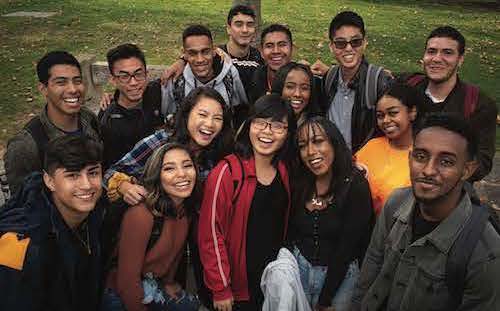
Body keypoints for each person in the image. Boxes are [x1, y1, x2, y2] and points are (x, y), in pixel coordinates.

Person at [351, 113, 500, 311]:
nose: (429, 170)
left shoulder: (485, 253)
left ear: (467, 170)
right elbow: (373, 263)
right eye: (421, 157)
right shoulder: (395, 203)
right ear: (410, 158)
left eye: (446, 162)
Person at [103, 87, 232, 308]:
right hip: (145, 239)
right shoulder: (161, 141)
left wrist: (169, 281)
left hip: (176, 242)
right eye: (202, 114)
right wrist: (123, 185)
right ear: (187, 114)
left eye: (217, 118)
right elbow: (109, 173)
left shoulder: (214, 156)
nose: (209, 124)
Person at [198, 94, 296, 311]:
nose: (267, 132)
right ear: (249, 125)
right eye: (260, 123)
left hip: (271, 283)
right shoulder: (227, 172)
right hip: (236, 290)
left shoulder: (283, 171)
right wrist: (220, 287)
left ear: (288, 134)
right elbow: (210, 234)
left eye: (278, 126)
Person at [0, 135, 104, 310]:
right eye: (72, 175)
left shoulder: (92, 210)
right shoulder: (22, 246)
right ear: (49, 181)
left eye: (93, 172)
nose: (87, 185)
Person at [101, 143, 201, 311]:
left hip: (152, 284)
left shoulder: (186, 210)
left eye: (187, 166)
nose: (182, 174)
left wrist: (168, 282)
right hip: (120, 293)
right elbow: (127, 281)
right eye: (169, 169)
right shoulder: (141, 214)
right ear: (157, 176)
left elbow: (175, 252)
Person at [288, 116, 373, 311]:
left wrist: (325, 299)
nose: (310, 152)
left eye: (318, 141)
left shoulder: (355, 185)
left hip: (341, 280)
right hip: (300, 270)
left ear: (334, 142)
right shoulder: (300, 181)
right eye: (303, 145)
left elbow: (348, 246)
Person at [401, 26, 497, 181]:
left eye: (447, 53)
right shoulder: (407, 85)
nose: (437, 59)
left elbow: (482, 162)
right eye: (431, 51)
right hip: (394, 183)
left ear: (460, 60)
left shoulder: (478, 104)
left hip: (447, 192)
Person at [4, 51, 100, 194]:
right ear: (44, 89)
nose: (73, 89)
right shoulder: (26, 146)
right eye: (61, 82)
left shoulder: (89, 118)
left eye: (77, 81)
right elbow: (22, 204)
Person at [320, 11, 392, 153]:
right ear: (331, 47)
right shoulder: (329, 79)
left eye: (355, 42)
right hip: (334, 162)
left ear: (364, 43)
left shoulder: (379, 82)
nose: (348, 48)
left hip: (366, 165)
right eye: (341, 43)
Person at [161, 24, 247, 126]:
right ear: (184, 54)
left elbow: (240, 110)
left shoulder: (230, 75)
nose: (200, 59)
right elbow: (167, 117)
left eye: (205, 52)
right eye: (193, 53)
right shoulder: (175, 79)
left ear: (214, 51)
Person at [355, 83, 418, 215]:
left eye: (393, 113)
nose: (386, 120)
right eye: (380, 115)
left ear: (412, 113)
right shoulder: (372, 146)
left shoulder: (422, 155)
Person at [99, 43, 164, 169]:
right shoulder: (108, 122)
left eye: (138, 74)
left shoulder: (157, 92)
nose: (133, 82)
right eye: (124, 77)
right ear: (113, 80)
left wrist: (181, 61)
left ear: (147, 74)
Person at [219, 4, 264, 89]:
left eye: (250, 25)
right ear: (228, 29)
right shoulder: (217, 55)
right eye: (239, 25)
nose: (245, 30)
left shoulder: (260, 58)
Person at [248, 24, 294, 104]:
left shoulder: (303, 77)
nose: (276, 51)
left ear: (292, 49)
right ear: (261, 51)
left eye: (282, 45)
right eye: (269, 46)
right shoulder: (256, 78)